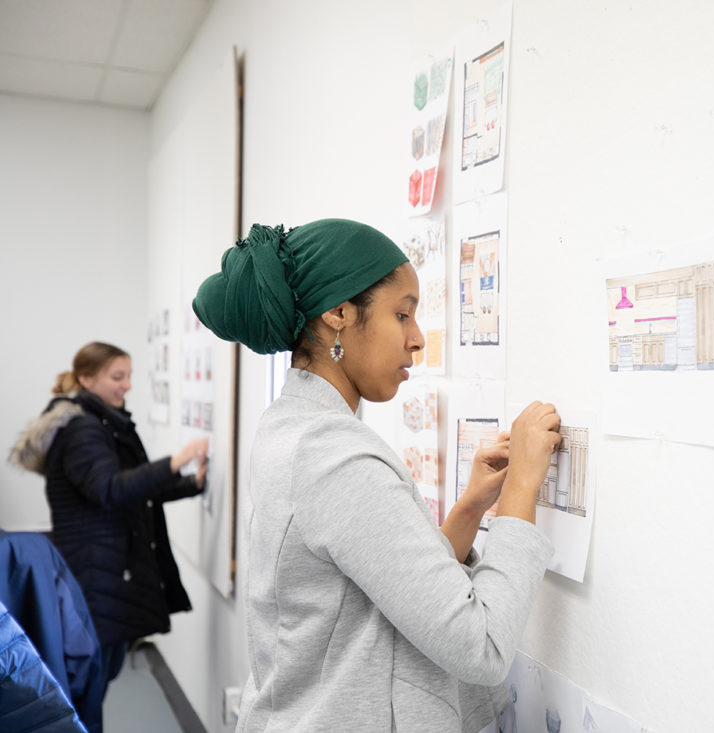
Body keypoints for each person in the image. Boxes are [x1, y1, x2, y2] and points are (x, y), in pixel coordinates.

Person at [192, 219, 561, 732]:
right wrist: (523, 488)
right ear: (339, 313)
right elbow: (482, 646)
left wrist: (472, 508)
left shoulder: (292, 427)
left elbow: (384, 586)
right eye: (402, 314)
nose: (417, 340)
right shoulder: (334, 457)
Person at [9, 342, 209, 697]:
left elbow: (134, 490)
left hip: (107, 571)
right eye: (118, 376)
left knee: (99, 676)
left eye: (129, 375)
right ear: (86, 379)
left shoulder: (101, 423)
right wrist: (176, 462)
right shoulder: (82, 430)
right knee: (89, 685)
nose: (127, 385)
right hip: (96, 572)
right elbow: (111, 490)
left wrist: (190, 483)